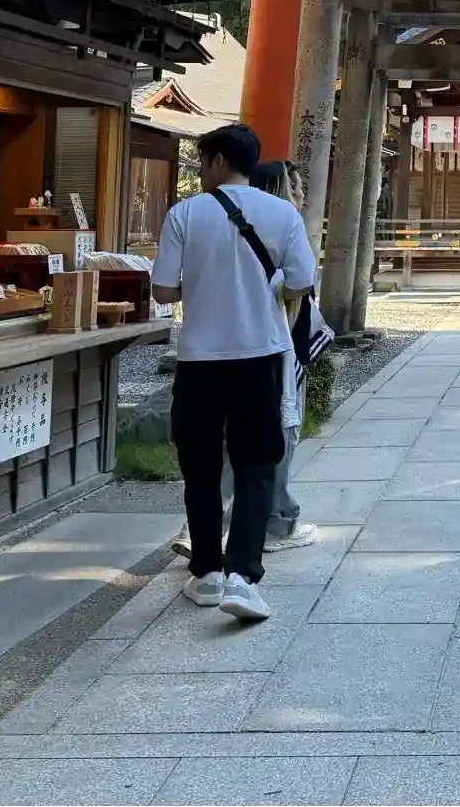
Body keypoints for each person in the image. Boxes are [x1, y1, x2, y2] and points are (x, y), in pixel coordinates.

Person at [150, 123, 312, 622]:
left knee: (200, 465)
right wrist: (264, 287)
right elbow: (302, 280)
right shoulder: (283, 213)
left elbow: (163, 291)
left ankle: (207, 573)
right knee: (256, 465)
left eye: (202, 161)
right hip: (260, 356)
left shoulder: (185, 213)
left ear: (218, 160)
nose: (201, 170)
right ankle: (243, 575)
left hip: (200, 359)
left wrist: (202, 285)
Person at [170, 159, 320, 559]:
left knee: (224, 447)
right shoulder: (281, 225)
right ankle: (266, 530)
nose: (301, 194)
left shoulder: (213, 224)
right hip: (270, 351)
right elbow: (300, 283)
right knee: (269, 446)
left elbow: (170, 287)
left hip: (215, 354)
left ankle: (206, 534)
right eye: (296, 185)